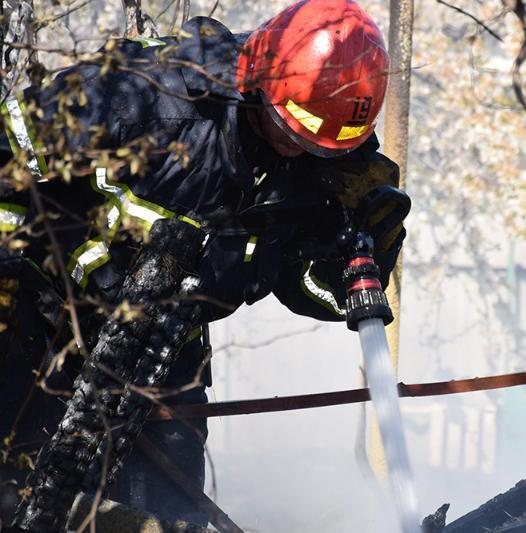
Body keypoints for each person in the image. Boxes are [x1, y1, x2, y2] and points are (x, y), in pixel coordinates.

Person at [0, 0, 406, 527]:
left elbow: (306, 287)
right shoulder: (141, 95)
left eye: (318, 144)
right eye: (293, 126)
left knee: (164, 518)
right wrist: (32, 274)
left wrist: (362, 253)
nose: (296, 149)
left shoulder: (324, 160)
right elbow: (7, 152)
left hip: (163, 352)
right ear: (260, 78)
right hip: (41, 328)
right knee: (18, 499)